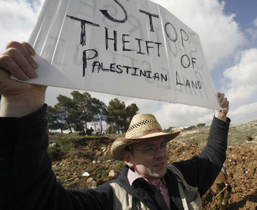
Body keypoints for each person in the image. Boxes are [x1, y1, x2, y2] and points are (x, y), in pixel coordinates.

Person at [0, 41, 230, 210]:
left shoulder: (181, 177)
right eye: (150, 148)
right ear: (128, 158)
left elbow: (212, 157)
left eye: (162, 145)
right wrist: (22, 104)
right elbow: (37, 202)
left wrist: (220, 118)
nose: (161, 155)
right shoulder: (110, 200)